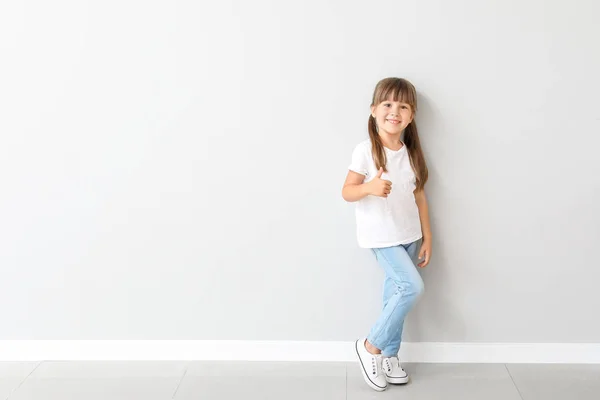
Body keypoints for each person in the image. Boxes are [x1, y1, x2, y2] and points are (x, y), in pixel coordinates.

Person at [342, 77, 432, 391]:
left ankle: (390, 355)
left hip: (410, 235)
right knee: (411, 288)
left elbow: (419, 196)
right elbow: (347, 192)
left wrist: (428, 237)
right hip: (382, 237)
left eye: (403, 106)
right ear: (373, 110)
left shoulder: (411, 153)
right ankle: (371, 346)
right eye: (388, 104)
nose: (395, 111)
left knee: (393, 296)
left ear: (411, 115)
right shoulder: (366, 151)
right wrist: (370, 187)